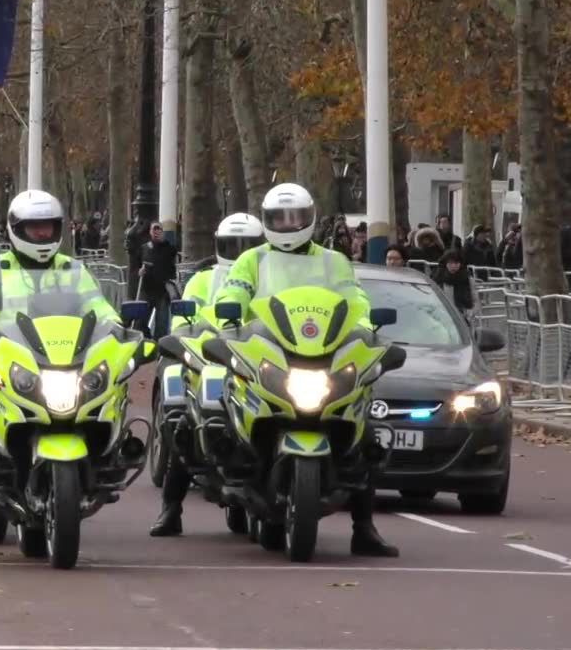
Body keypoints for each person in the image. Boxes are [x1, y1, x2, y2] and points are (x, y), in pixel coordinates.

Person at [215, 182, 399, 558]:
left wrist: (364, 327)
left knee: (365, 427)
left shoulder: (334, 260)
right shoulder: (253, 259)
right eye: (279, 218)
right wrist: (229, 316)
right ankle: (238, 478)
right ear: (267, 220)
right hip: (272, 349)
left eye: (295, 217)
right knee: (228, 405)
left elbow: (354, 297)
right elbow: (233, 291)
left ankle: (364, 528)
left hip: (324, 351)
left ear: (310, 218)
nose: (287, 224)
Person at [0, 191, 118, 562]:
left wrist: (115, 326)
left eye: (47, 228)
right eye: (34, 229)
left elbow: (97, 305)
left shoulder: (73, 269)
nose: (41, 236)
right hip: (11, 363)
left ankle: (97, 470)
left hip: (63, 359)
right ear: (17, 229)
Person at [151, 213, 264, 538]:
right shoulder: (203, 280)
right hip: (208, 363)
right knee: (183, 426)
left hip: (253, 362)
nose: (240, 252)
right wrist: (196, 345)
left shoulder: (266, 279)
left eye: (246, 246)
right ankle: (171, 509)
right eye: (233, 245)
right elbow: (184, 322)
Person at [137, 221, 178, 339]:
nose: (156, 232)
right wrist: (139, 272)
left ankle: (159, 347)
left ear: (163, 231)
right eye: (154, 230)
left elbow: (171, 255)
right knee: (140, 322)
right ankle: (147, 340)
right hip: (146, 290)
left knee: (161, 325)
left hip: (162, 292)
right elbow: (136, 266)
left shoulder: (169, 248)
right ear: (150, 232)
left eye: (159, 229)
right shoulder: (144, 248)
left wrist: (162, 241)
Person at [433, 249, 475, 315]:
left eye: (456, 263)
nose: (453, 266)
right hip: (443, 313)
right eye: (450, 263)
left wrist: (471, 311)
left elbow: (474, 299)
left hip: (463, 315)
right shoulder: (438, 278)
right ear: (445, 263)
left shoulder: (467, 278)